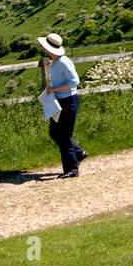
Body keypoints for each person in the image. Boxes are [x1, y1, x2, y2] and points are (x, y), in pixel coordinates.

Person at [38, 32, 88, 177]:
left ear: (48, 49)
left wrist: (53, 89)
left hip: (69, 101)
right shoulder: (57, 61)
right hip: (61, 101)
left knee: (64, 135)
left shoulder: (63, 62)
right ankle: (78, 153)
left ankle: (72, 169)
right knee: (55, 133)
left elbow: (74, 82)